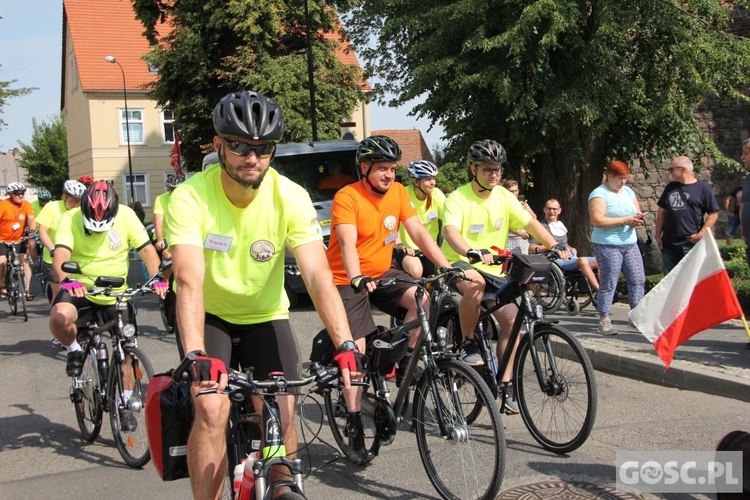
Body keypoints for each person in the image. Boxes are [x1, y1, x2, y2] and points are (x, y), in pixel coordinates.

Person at [167, 90, 363, 497]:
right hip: (211, 317)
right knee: (210, 407)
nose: (251, 157)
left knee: (281, 411)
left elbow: (317, 274)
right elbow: (188, 279)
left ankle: (280, 484)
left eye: (263, 148)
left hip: (265, 315)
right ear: (219, 145)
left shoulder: (289, 196)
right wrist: (195, 355)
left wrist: (345, 342)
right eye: (239, 145)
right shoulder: (190, 196)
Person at [326, 135, 451, 459]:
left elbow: (420, 233)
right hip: (347, 279)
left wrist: (446, 266)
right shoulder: (347, 197)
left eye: (393, 169)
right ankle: (354, 419)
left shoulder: (397, 193)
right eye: (382, 168)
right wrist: (355, 276)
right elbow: (347, 243)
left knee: (422, 298)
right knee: (357, 351)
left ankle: (405, 359)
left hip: (383, 273)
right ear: (364, 167)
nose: (389, 175)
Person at [441, 139, 570, 415]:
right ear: (473, 169)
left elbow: (531, 223)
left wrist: (554, 244)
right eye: (487, 169)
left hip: (496, 268)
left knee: (512, 322)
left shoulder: (504, 196)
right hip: (460, 261)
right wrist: (470, 251)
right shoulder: (458, 198)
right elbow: (450, 232)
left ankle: (506, 384)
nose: (494, 174)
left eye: (498, 169)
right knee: (474, 285)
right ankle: (468, 343)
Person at [588, 160, 646, 335]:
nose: (623, 182)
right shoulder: (599, 194)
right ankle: (604, 319)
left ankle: (636, 317)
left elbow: (636, 210)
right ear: (610, 176)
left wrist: (637, 219)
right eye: (620, 179)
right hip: (607, 244)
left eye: (625, 179)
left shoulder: (628, 191)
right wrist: (623, 220)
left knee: (638, 279)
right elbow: (597, 220)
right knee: (609, 281)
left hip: (629, 242)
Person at [655, 156, 719, 275]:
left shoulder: (703, 188)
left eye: (671, 169)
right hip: (669, 244)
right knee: (669, 281)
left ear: (682, 170)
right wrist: (658, 236)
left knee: (691, 279)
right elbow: (662, 212)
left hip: (690, 243)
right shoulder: (670, 187)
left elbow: (713, 214)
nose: (670, 173)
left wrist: (701, 234)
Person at [529, 198, 600, 292]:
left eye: (554, 209)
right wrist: (551, 246)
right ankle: (600, 291)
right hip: (556, 259)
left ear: (559, 211)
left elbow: (563, 243)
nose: (551, 211)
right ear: (544, 209)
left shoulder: (560, 225)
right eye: (549, 208)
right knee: (582, 261)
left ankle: (607, 289)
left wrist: (571, 248)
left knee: (600, 260)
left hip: (571, 256)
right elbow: (531, 248)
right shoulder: (540, 227)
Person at [395, 160, 447, 278]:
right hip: (407, 250)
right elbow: (393, 225)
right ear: (415, 181)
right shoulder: (403, 194)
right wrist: (400, 245)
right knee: (416, 271)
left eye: (433, 178)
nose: (433, 182)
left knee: (436, 281)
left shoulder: (436, 194)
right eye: (428, 179)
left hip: (428, 247)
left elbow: (448, 221)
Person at [37, 180, 86, 300]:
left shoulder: (81, 211)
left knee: (82, 293)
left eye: (78, 201)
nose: (75, 204)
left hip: (77, 258)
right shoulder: (52, 207)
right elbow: (43, 232)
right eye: (72, 200)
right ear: (64, 197)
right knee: (60, 294)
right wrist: (53, 249)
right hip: (54, 258)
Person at [0, 182, 36, 301]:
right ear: (10, 194)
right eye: (18, 194)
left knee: (25, 262)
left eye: (22, 193)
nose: (21, 195)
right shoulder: (3, 205)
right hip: (3, 240)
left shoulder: (26, 205)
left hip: (19, 240)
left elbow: (31, 219)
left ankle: (27, 290)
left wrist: (31, 233)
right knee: (3, 262)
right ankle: (3, 286)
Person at [153, 174, 185, 260]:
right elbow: (158, 221)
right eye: (171, 189)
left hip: (181, 236)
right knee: (168, 256)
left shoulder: (188, 198)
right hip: (165, 237)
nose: (173, 192)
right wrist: (160, 240)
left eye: (176, 189)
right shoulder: (161, 198)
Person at [503, 179, 536, 255]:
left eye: (516, 191)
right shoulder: (503, 204)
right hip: (508, 239)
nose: (514, 193)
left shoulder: (522, 203)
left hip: (523, 240)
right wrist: (518, 232)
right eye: (511, 191)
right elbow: (503, 223)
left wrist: (526, 209)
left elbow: (534, 218)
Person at [725, 177, 743, 246]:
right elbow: (727, 199)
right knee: (729, 232)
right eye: (742, 179)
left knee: (746, 234)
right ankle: (729, 249)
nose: (743, 181)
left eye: (745, 179)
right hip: (736, 214)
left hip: (746, 214)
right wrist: (728, 211)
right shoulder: (737, 189)